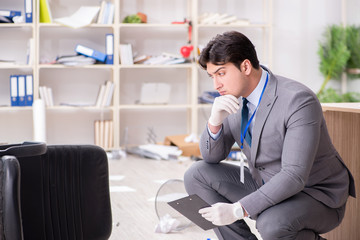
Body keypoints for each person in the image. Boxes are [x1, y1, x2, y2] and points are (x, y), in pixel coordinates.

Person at [183, 31, 356, 240]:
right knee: (196, 174)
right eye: (212, 76)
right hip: (265, 181)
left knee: (272, 223)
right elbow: (211, 158)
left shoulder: (298, 100)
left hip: (314, 194)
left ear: (245, 67)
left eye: (221, 73)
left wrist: (238, 209)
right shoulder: (232, 99)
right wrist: (215, 121)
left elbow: (294, 176)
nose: (216, 85)